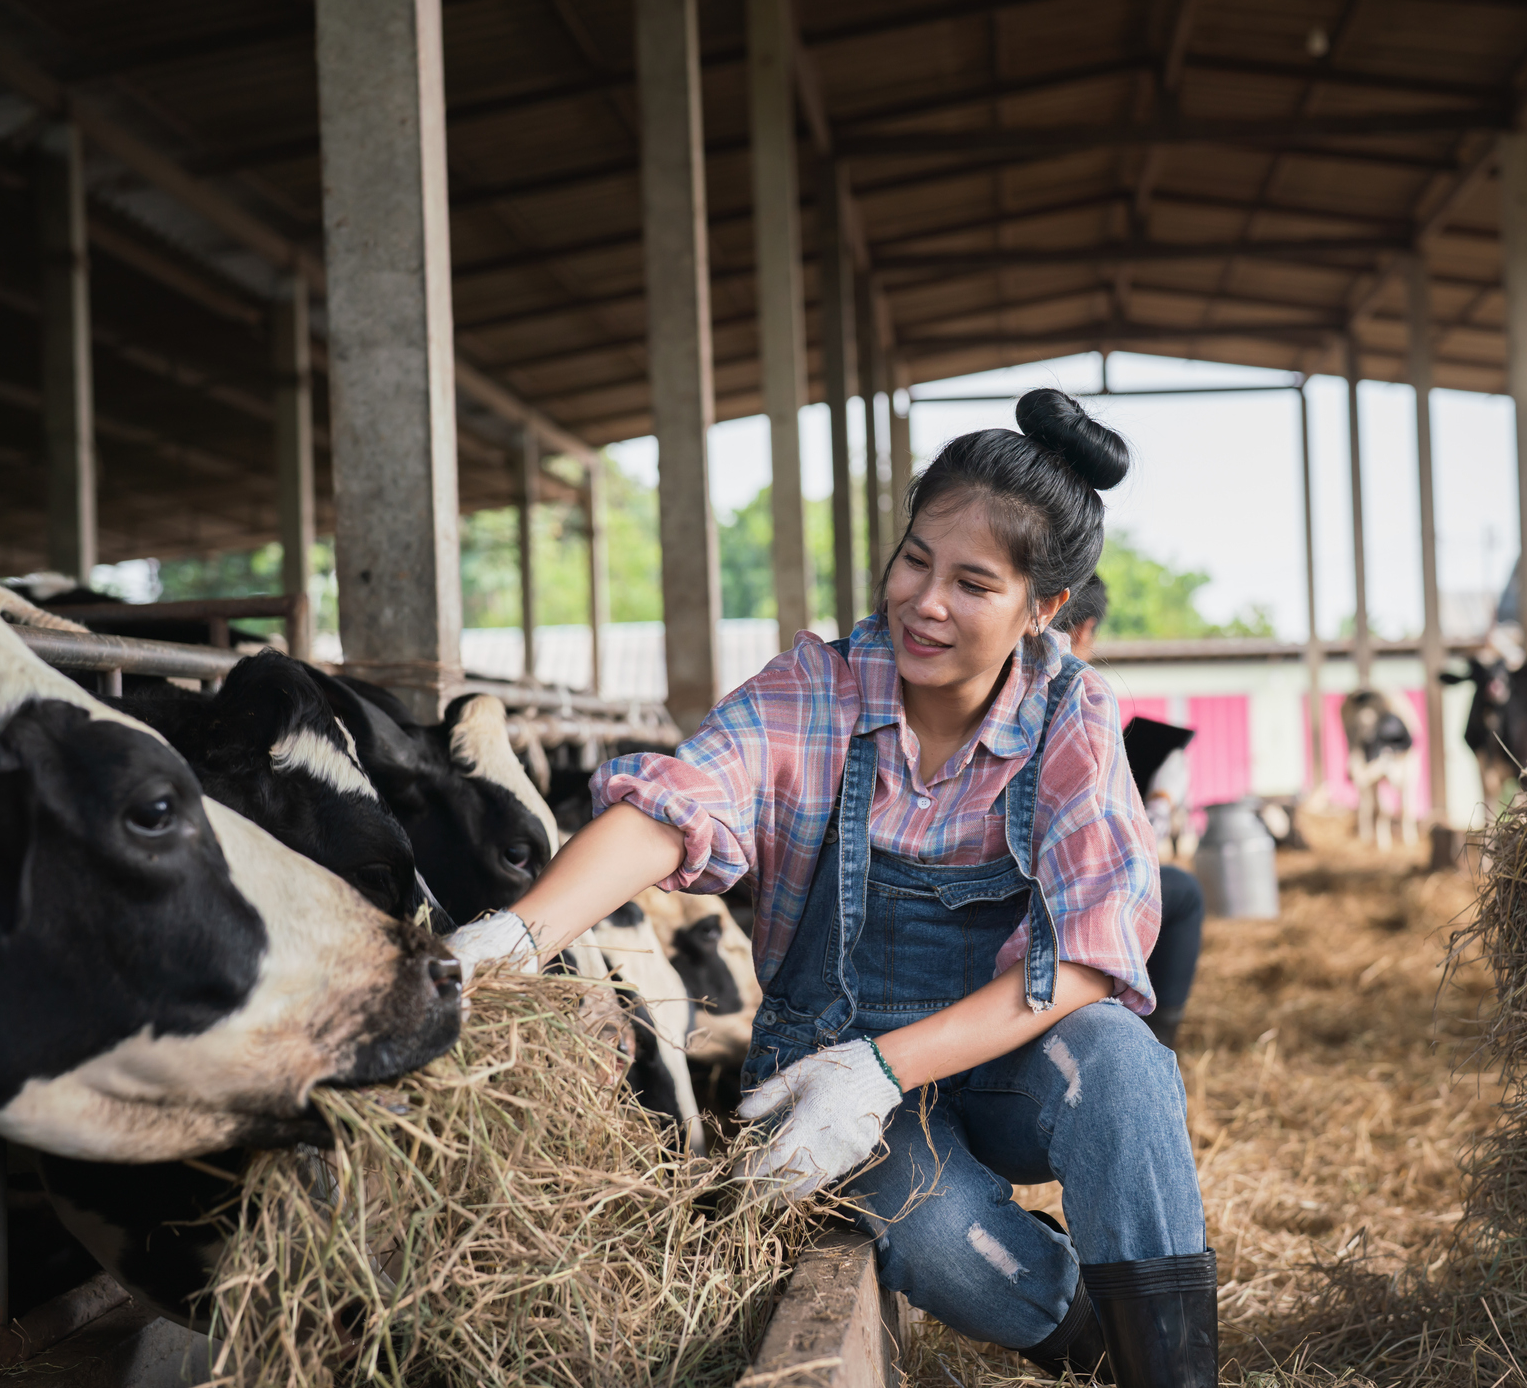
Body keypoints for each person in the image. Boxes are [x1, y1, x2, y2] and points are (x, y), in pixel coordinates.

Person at [485, 389, 1214, 1386]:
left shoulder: (1066, 713)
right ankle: (1089, 1330)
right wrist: (518, 934)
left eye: (972, 582)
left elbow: (1092, 947)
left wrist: (889, 1065)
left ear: (1041, 609)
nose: (925, 601)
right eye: (914, 558)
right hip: (824, 1074)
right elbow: (674, 805)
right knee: (943, 1243)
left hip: (1002, 1060)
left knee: (1123, 1065)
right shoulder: (816, 689)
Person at [1056, 576, 1207, 1051]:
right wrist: (1158, 803)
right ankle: (1157, 1044)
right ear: (1084, 628)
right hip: (1054, 894)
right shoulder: (1079, 693)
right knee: (1181, 892)